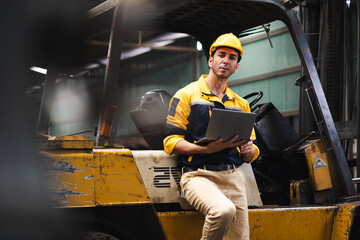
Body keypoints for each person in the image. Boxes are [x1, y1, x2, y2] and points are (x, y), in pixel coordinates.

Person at [163, 33, 260, 240]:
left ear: (236, 67)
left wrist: (249, 150)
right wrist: (204, 149)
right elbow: (170, 142)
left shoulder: (241, 104)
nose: (226, 60)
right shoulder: (186, 95)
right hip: (198, 175)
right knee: (223, 211)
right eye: (221, 55)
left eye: (232, 58)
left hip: (234, 177)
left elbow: (251, 153)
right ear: (211, 60)